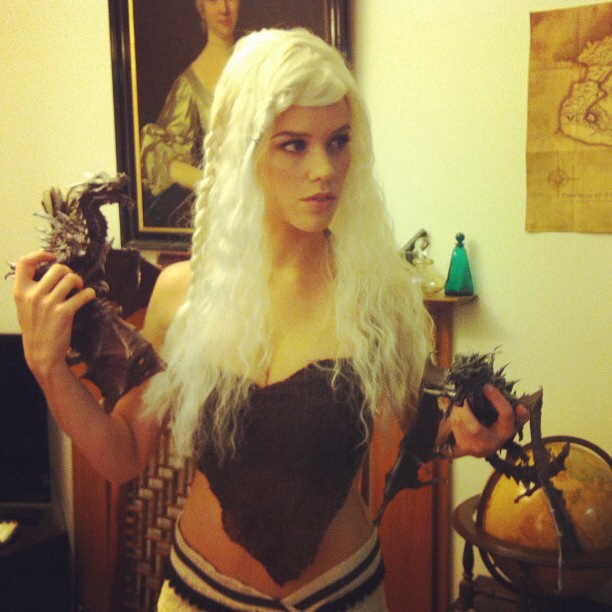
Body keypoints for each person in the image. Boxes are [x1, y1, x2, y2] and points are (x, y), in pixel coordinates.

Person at [13, 28, 528, 611]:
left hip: (342, 596)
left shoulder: (378, 296)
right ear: (243, 149)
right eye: (294, 145)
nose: (324, 169)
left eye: (338, 141)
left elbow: (424, 428)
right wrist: (48, 367)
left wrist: (467, 429)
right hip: (199, 595)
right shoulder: (183, 296)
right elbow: (124, 453)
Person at [140, 0, 240, 227]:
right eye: (213, 1)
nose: (224, 9)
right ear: (201, 10)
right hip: (229, 212)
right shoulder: (189, 85)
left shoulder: (260, 62)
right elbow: (162, 157)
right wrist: (215, 185)